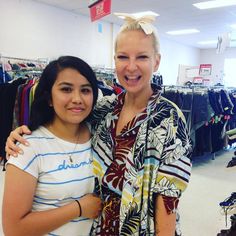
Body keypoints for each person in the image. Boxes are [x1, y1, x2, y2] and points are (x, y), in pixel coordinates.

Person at [5, 13, 192, 236]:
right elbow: (64, 126)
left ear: (157, 61)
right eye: (123, 57)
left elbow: (168, 198)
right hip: (99, 227)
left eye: (142, 57)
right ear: (115, 61)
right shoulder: (104, 108)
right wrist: (18, 134)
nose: (131, 67)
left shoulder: (170, 118)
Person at [2, 56, 102, 236]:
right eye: (66, 89)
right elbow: (13, 229)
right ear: (49, 98)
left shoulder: (100, 136)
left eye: (85, 90)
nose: (77, 99)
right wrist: (78, 208)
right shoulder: (27, 147)